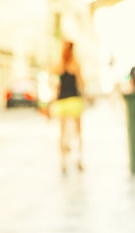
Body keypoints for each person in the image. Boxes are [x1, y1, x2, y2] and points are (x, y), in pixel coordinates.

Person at [49, 40, 85, 173]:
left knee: (62, 133)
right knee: (78, 132)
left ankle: (63, 162)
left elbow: (54, 84)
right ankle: (79, 160)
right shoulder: (75, 64)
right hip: (74, 101)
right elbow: (81, 84)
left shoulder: (58, 65)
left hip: (62, 102)